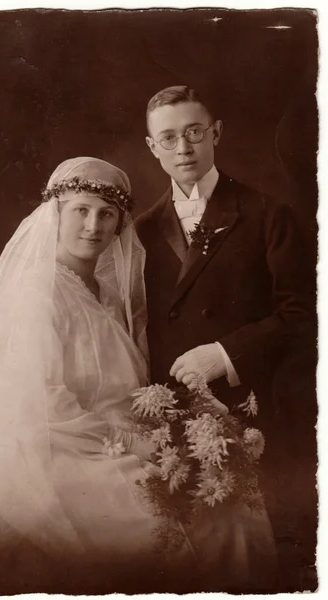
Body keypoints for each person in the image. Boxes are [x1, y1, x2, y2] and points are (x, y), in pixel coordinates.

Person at [0, 156, 276, 594]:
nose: (94, 225)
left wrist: (171, 436)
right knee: (173, 529)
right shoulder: (38, 289)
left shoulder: (104, 293)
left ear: (121, 224)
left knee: (229, 503)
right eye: (81, 211)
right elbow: (43, 404)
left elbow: (126, 390)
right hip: (49, 455)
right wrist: (140, 447)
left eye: (108, 214)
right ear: (56, 214)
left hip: (104, 442)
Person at [135, 85, 314, 579]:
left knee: (262, 558)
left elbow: (303, 315)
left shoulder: (267, 213)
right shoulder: (141, 230)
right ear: (152, 148)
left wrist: (223, 354)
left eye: (194, 132)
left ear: (216, 133)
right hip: (174, 419)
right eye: (168, 138)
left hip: (258, 409)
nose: (183, 149)